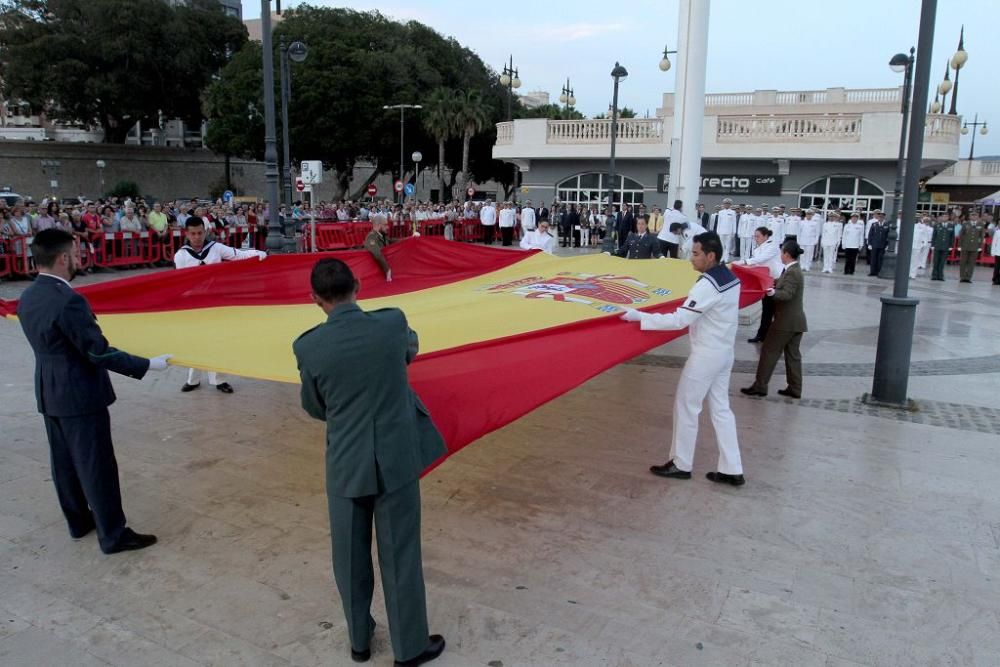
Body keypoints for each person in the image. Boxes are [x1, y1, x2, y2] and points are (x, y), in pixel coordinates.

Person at [293, 258, 447, 666]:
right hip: (395, 457)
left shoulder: (308, 347)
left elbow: (314, 406)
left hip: (346, 461)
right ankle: (409, 646)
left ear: (315, 300)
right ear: (358, 285)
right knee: (401, 554)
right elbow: (410, 350)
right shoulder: (392, 323)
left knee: (348, 555)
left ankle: (359, 641)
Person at [17, 229, 172, 554]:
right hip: (80, 394)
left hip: (49, 390)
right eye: (74, 253)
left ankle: (79, 522)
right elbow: (97, 352)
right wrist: (147, 365)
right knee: (96, 465)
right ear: (63, 258)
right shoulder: (69, 300)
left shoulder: (30, 295)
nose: (79, 258)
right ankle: (113, 535)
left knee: (64, 464)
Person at [620, 231, 745, 486]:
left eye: (696, 254)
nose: (691, 258)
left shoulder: (707, 284)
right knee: (721, 410)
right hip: (724, 353)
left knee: (687, 407)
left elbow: (680, 320)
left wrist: (640, 317)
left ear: (711, 256)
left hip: (706, 355)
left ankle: (681, 463)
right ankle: (732, 468)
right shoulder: (731, 277)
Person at [174, 216, 266, 393]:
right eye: (193, 233)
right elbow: (180, 283)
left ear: (205, 231)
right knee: (196, 341)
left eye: (200, 232)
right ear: (187, 234)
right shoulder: (181, 256)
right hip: (193, 304)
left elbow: (238, 254)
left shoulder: (215, 248)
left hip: (215, 303)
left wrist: (257, 254)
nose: (197, 237)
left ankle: (219, 380)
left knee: (217, 339)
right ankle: (193, 380)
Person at [741, 240, 808, 399]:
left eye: (782, 252)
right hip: (796, 322)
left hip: (785, 322)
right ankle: (795, 388)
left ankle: (760, 386)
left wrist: (772, 293)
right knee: (793, 356)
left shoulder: (793, 272)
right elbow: (780, 283)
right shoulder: (791, 270)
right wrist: (766, 282)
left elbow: (787, 294)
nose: (780, 255)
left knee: (769, 351)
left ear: (786, 254)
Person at [742, 227, 782, 343]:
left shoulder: (772, 246)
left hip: (778, 281)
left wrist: (744, 262)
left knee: (777, 311)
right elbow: (756, 264)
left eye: (758, 236)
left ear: (765, 236)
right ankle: (762, 335)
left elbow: (761, 259)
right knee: (766, 309)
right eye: (755, 236)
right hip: (767, 281)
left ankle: (778, 337)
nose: (756, 239)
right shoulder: (757, 249)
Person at [958, 211, 986, 283]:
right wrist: (959, 245)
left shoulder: (981, 224)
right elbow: (961, 235)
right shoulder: (965, 224)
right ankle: (962, 277)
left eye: (975, 215)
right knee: (963, 262)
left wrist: (980, 246)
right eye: (972, 215)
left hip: (975, 246)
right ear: (970, 216)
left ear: (978, 217)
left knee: (971, 262)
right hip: (965, 246)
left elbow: (982, 236)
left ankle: (968, 277)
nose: (974, 217)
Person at [930, 214, 955, 281]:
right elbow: (934, 236)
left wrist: (951, 246)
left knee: (942, 262)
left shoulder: (951, 226)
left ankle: (940, 275)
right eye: (943, 216)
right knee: (936, 261)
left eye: (946, 216)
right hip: (937, 246)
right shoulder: (937, 225)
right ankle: (934, 275)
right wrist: (932, 245)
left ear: (948, 217)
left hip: (946, 246)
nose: (945, 218)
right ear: (941, 218)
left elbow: (952, 237)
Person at [715, 198, 738, 262]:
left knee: (728, 246)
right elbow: (719, 222)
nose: (726, 205)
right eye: (725, 203)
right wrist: (717, 231)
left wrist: (734, 232)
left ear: (730, 205)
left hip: (729, 231)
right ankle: (722, 258)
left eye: (728, 203)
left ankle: (726, 258)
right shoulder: (720, 212)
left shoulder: (733, 212)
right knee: (722, 246)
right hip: (721, 231)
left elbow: (734, 222)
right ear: (723, 204)